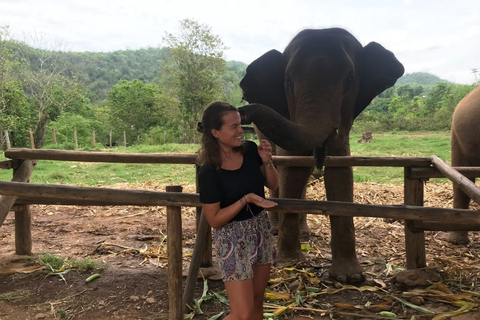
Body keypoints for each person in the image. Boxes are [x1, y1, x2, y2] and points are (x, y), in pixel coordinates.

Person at [196, 101, 279, 320]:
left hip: (261, 230)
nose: (241, 131)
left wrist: (267, 162)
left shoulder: (251, 150)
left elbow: (273, 185)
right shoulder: (209, 171)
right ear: (215, 132)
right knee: (242, 313)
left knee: (256, 304)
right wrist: (246, 200)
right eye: (233, 127)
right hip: (232, 239)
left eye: (240, 125)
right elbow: (214, 219)